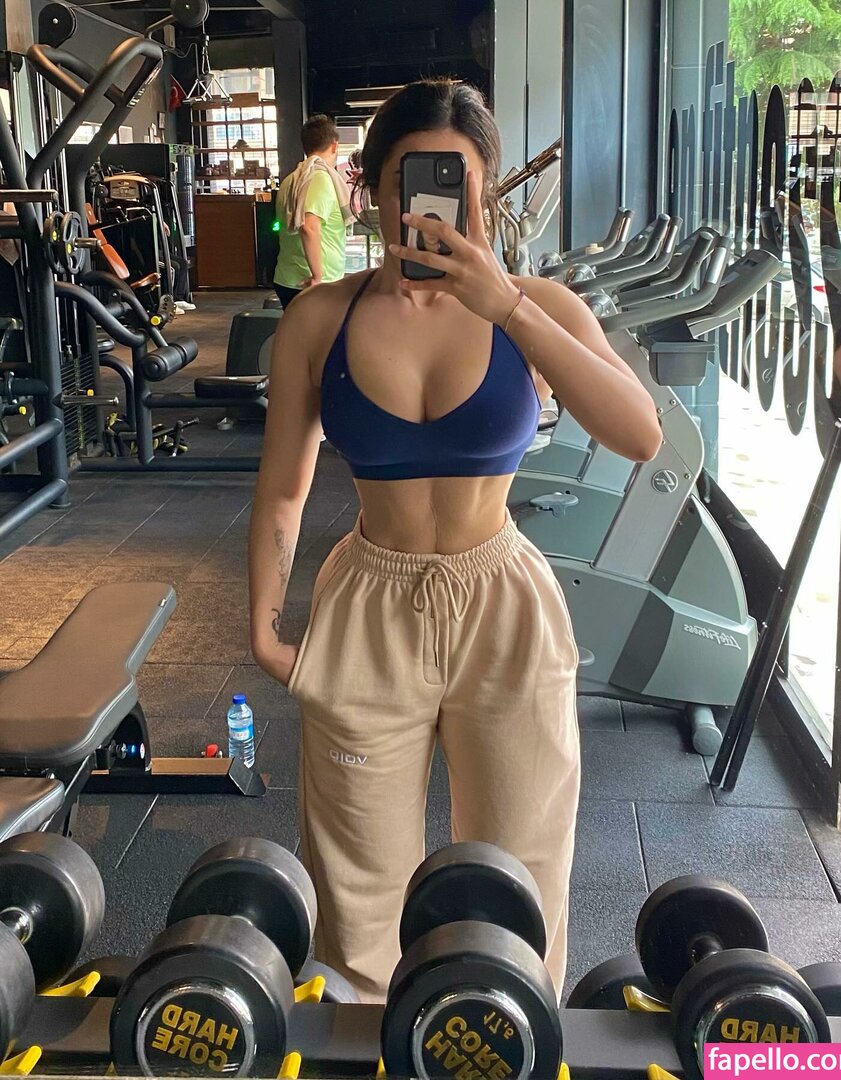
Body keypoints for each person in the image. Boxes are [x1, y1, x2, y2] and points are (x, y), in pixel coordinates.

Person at [249, 79, 663, 1003]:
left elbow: (640, 435)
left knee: (521, 874)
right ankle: (371, 1049)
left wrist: (507, 305)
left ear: (486, 191)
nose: (428, 202)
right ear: (373, 189)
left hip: (501, 601)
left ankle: (509, 1036)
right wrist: (265, 628)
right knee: (357, 889)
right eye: (408, 178)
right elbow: (283, 488)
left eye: (456, 180)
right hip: (369, 602)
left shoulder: (538, 305)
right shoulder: (321, 318)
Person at [273, 114, 352, 308]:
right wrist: (318, 276)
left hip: (289, 278)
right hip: (312, 283)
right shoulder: (319, 179)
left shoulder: (290, 180)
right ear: (334, 145)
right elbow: (308, 227)